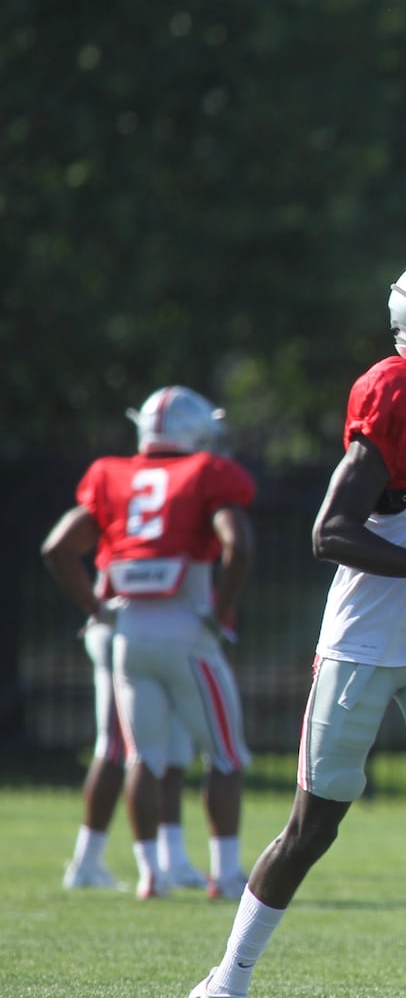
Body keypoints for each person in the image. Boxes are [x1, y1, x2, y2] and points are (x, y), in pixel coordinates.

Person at [189, 254, 406, 998]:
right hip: (365, 646)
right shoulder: (396, 389)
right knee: (311, 831)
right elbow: (332, 532)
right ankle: (229, 978)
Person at [42, 385, 255, 900]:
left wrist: (97, 610)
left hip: (127, 634)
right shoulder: (208, 473)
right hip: (185, 625)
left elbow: (56, 548)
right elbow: (238, 542)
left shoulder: (112, 474)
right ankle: (225, 874)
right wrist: (221, 610)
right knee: (226, 756)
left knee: (145, 757)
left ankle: (151, 875)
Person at [56, 597, 211, 891]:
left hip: (155, 633)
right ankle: (87, 862)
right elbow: (58, 552)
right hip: (128, 631)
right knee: (118, 748)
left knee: (172, 750)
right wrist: (96, 606)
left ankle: (173, 859)